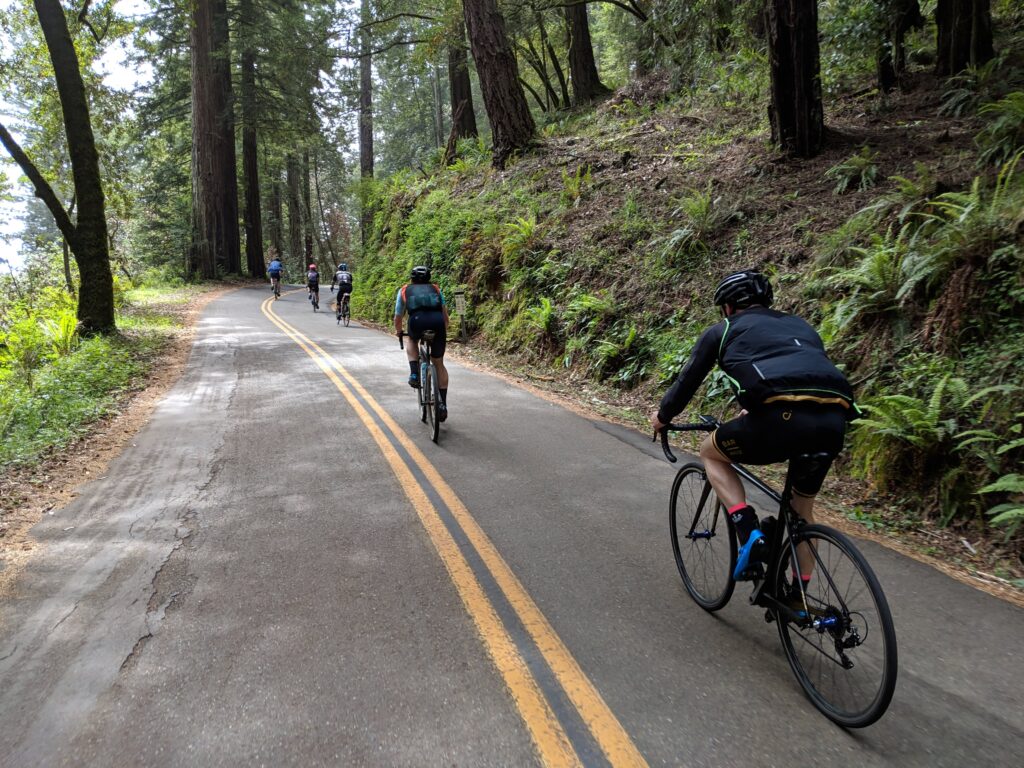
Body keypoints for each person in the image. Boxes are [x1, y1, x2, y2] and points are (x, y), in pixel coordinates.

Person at [650, 270, 857, 588]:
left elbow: (686, 382)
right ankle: (797, 595)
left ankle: (749, 534)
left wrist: (663, 417)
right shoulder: (801, 327)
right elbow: (800, 372)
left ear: (729, 307)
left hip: (780, 421)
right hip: (833, 421)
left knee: (712, 452)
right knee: (802, 511)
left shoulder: (723, 330)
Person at [394, 266, 450, 422]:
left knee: (412, 340)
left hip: (417, 322)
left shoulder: (404, 290)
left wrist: (399, 331)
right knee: (439, 364)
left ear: (411, 278)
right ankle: (443, 405)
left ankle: (414, 373)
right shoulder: (436, 289)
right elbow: (445, 316)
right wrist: (442, 330)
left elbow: (398, 317)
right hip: (437, 323)